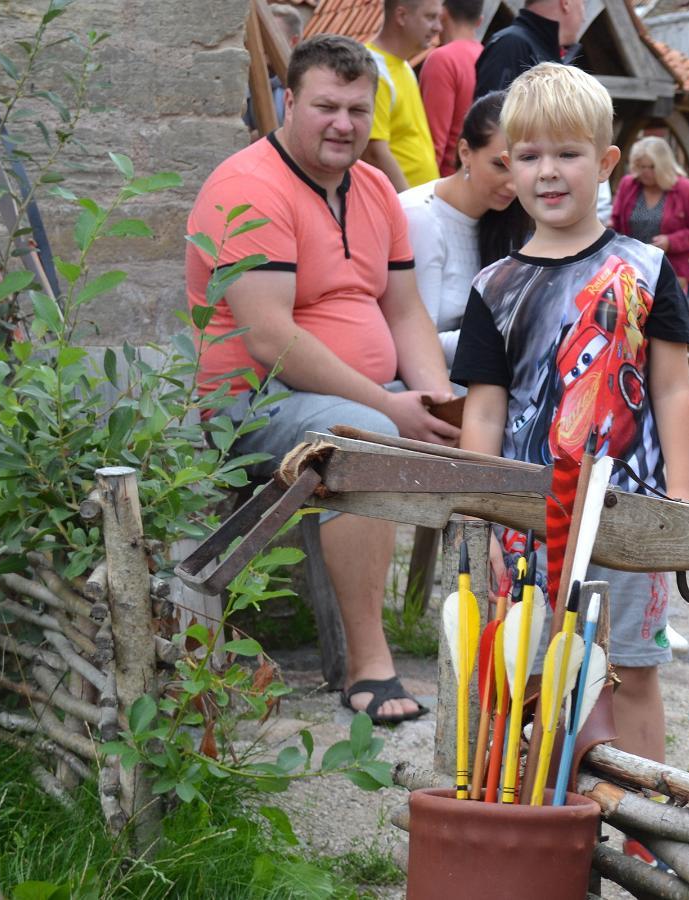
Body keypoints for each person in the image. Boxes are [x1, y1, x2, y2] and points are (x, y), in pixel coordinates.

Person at [186, 34, 459, 724]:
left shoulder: (371, 189)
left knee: (492, 397)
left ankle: (502, 641)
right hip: (248, 406)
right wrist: (392, 408)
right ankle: (370, 666)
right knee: (365, 438)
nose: (344, 124)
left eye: (358, 110)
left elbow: (404, 309)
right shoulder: (248, 189)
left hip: (355, 395)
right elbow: (271, 338)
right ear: (288, 101)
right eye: (327, 106)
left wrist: (438, 398)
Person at [451, 65, 689, 800]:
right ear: (506, 167)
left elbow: (673, 386)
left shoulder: (647, 270)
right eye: (527, 156)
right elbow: (486, 409)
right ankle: (542, 820)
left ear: (606, 163)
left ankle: (647, 825)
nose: (548, 172)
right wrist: (484, 505)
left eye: (567, 154)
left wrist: (681, 498)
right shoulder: (493, 286)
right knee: (527, 671)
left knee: (632, 669)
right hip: (528, 522)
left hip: (631, 517)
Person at [401, 92, 529, 365]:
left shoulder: (505, 219)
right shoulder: (420, 217)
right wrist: (516, 336)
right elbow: (415, 340)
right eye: (500, 165)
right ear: (465, 153)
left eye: (524, 165)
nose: (513, 185)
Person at [612, 136, 689, 298]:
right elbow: (615, 223)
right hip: (631, 270)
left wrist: (671, 241)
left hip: (672, 270)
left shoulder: (686, 189)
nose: (645, 172)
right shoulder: (628, 185)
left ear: (663, 165)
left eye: (651, 167)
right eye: (641, 166)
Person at [364, 0, 443, 192]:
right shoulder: (371, 69)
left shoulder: (404, 66)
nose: (438, 27)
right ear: (401, 16)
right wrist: (410, 205)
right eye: (430, 17)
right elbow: (374, 152)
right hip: (402, 207)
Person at [419, 0, 485, 177]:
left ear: (443, 14)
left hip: (446, 183)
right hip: (476, 180)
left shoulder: (442, 59)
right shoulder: (487, 56)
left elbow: (433, 142)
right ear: (479, 21)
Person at [473, 0, 582, 96]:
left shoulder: (528, 46)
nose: (584, 17)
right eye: (583, 2)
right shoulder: (510, 45)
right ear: (566, 2)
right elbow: (490, 116)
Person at [242, 4, 304, 136]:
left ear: (294, 41)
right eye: (260, 37)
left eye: (269, 38)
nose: (261, 44)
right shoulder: (243, 81)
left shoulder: (305, 85)